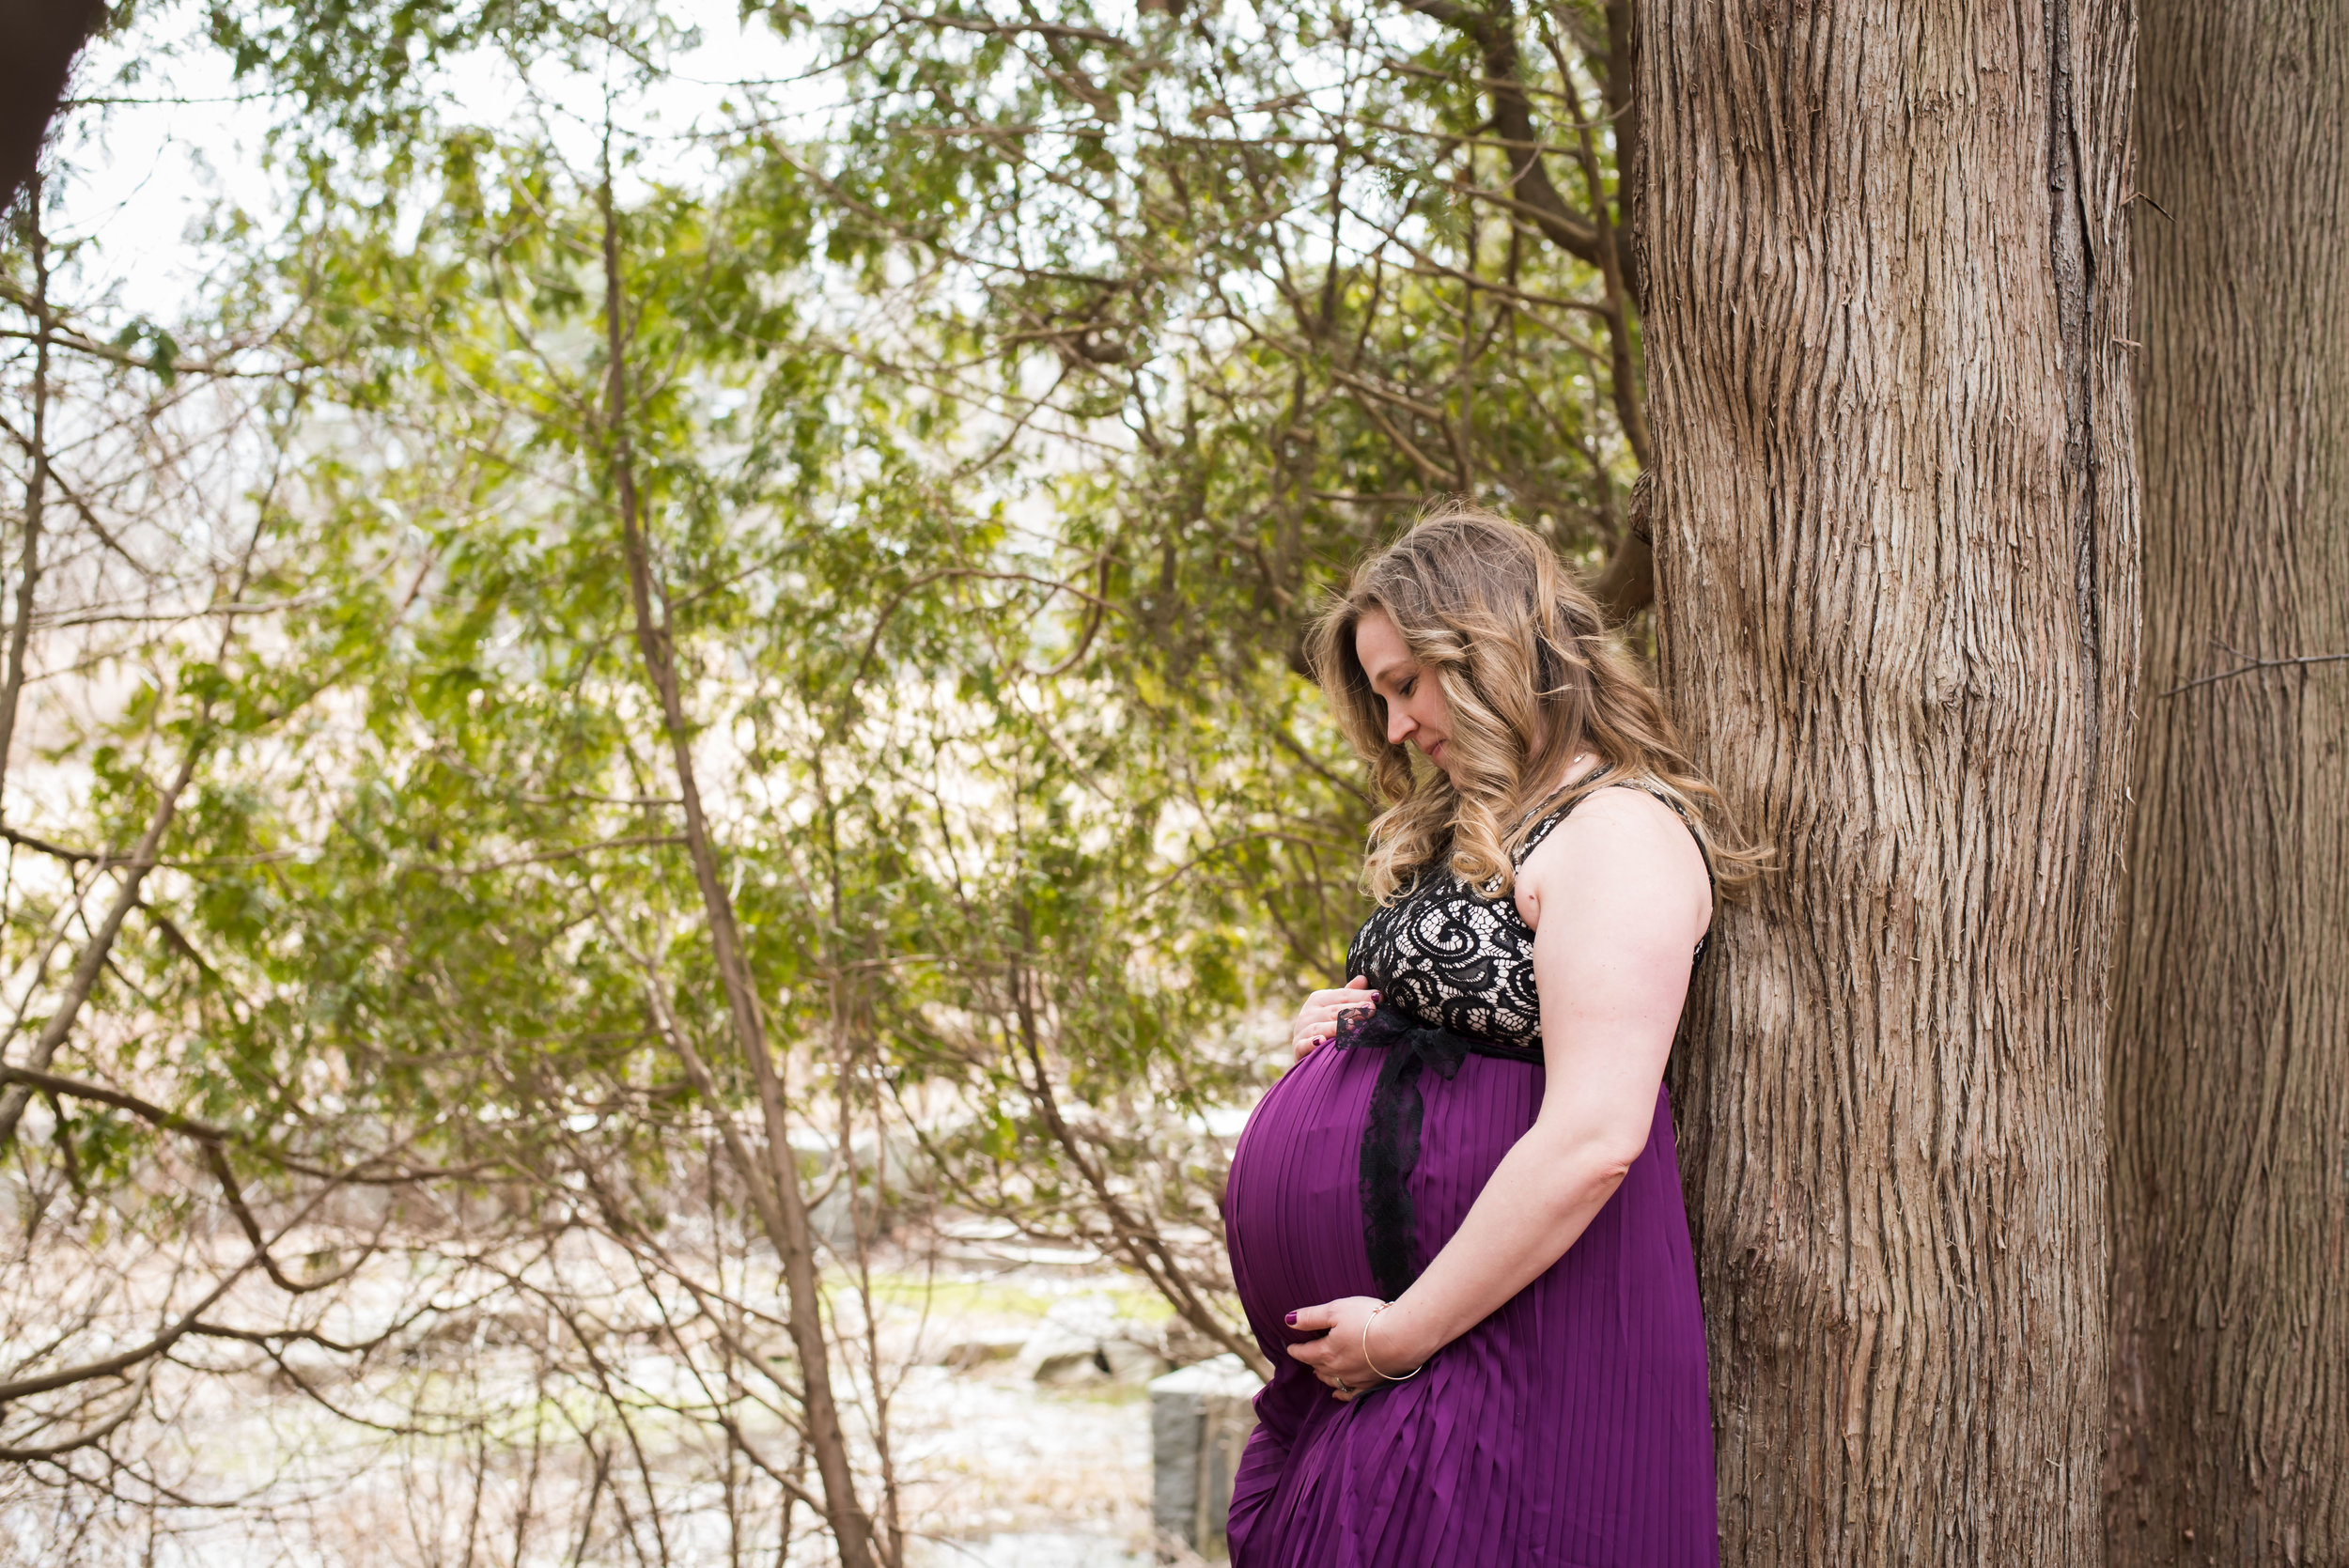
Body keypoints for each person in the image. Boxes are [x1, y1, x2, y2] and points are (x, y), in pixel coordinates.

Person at [1220, 505, 1763, 1566]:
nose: (1394, 729)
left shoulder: (1619, 832)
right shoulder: (1480, 831)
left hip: (1515, 1341)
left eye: (1403, 685)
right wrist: (1342, 1028)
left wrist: (1400, 1334)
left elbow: (1595, 1134)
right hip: (1401, 1359)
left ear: (1487, 650)